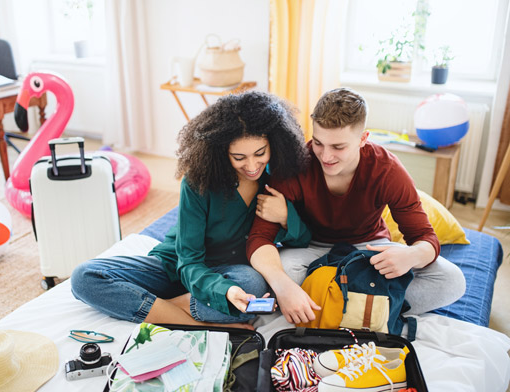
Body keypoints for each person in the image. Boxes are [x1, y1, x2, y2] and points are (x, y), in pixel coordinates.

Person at [71, 91, 310, 328]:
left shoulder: (278, 178)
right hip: (177, 269)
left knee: (253, 284)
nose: (251, 165)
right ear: (220, 152)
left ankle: (157, 308)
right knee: (84, 278)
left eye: (260, 153)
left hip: (231, 273)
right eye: (239, 157)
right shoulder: (199, 182)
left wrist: (286, 218)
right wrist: (223, 293)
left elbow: (305, 238)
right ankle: (201, 323)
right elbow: (188, 262)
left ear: (274, 144)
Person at [246, 87, 466, 325]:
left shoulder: (387, 170)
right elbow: (259, 238)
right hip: (312, 249)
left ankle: (332, 307)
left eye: (338, 147)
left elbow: (424, 237)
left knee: (451, 280)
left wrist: (411, 255)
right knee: (283, 271)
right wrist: (284, 286)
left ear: (363, 139)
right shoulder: (297, 163)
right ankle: (369, 308)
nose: (325, 156)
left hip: (368, 249)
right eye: (319, 143)